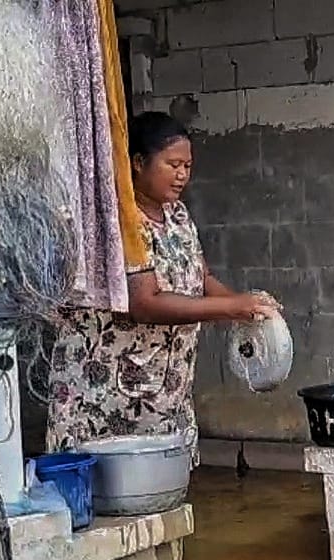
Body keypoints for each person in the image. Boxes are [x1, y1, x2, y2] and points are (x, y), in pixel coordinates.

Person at [46, 111, 278, 465]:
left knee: (163, 492)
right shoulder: (119, 222)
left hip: (165, 395)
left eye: (187, 165)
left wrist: (250, 306)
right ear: (138, 163)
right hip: (107, 397)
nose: (183, 174)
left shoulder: (178, 215)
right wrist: (231, 308)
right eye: (173, 164)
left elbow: (201, 280)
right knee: (113, 492)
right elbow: (145, 302)